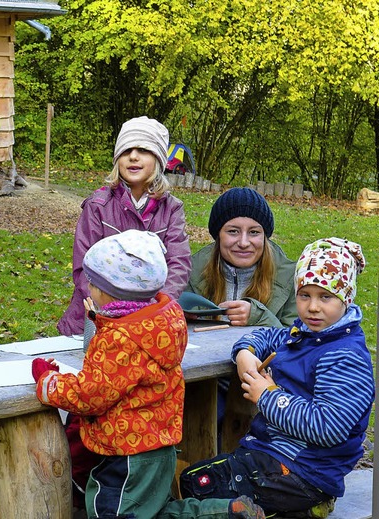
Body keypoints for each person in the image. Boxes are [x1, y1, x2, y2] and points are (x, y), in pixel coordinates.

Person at [33, 230, 265, 519]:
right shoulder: (165, 319)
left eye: (93, 283)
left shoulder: (119, 337)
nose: (89, 289)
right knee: (157, 512)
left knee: (111, 512)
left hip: (127, 453)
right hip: (160, 445)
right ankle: (226, 513)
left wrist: (48, 381)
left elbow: (89, 394)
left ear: (110, 290)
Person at [180, 237, 374, 518]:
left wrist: (268, 395)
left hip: (305, 470)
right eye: (304, 295)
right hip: (274, 454)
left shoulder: (343, 357)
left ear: (347, 298)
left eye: (326, 297)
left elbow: (327, 427)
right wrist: (245, 352)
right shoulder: (307, 334)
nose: (313, 307)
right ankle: (293, 510)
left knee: (198, 484)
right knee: (197, 477)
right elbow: (269, 335)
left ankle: (294, 506)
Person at [57, 116, 192, 337]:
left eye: (143, 150)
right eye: (126, 150)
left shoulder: (171, 210)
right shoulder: (98, 206)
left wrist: (154, 308)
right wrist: (114, 311)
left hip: (150, 321)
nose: (133, 156)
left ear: (158, 159)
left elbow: (179, 264)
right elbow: (83, 268)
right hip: (95, 321)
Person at [186, 186, 296, 328]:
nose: (243, 243)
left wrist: (259, 317)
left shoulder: (292, 280)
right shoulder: (188, 274)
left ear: (264, 237)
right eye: (233, 231)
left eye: (254, 232)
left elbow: (298, 343)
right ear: (218, 235)